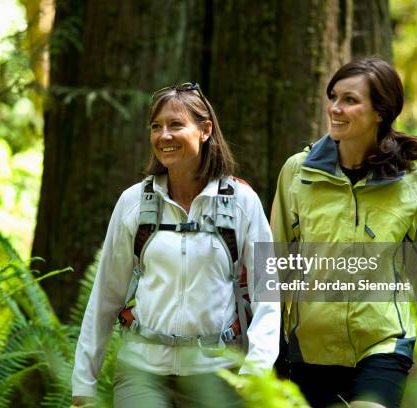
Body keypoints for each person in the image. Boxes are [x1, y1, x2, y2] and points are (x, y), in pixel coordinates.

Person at [72, 83, 280, 407]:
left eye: (175, 125)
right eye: (156, 127)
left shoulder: (242, 202)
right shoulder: (133, 203)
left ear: (205, 130)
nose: (163, 136)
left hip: (218, 373)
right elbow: (105, 295)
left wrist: (257, 368)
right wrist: (84, 382)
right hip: (141, 373)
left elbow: (268, 292)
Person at [271, 57, 417, 408]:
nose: (335, 109)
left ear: (380, 113)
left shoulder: (413, 182)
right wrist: (271, 352)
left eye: (350, 100)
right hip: (309, 350)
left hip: (384, 344)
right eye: (333, 97)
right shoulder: (297, 173)